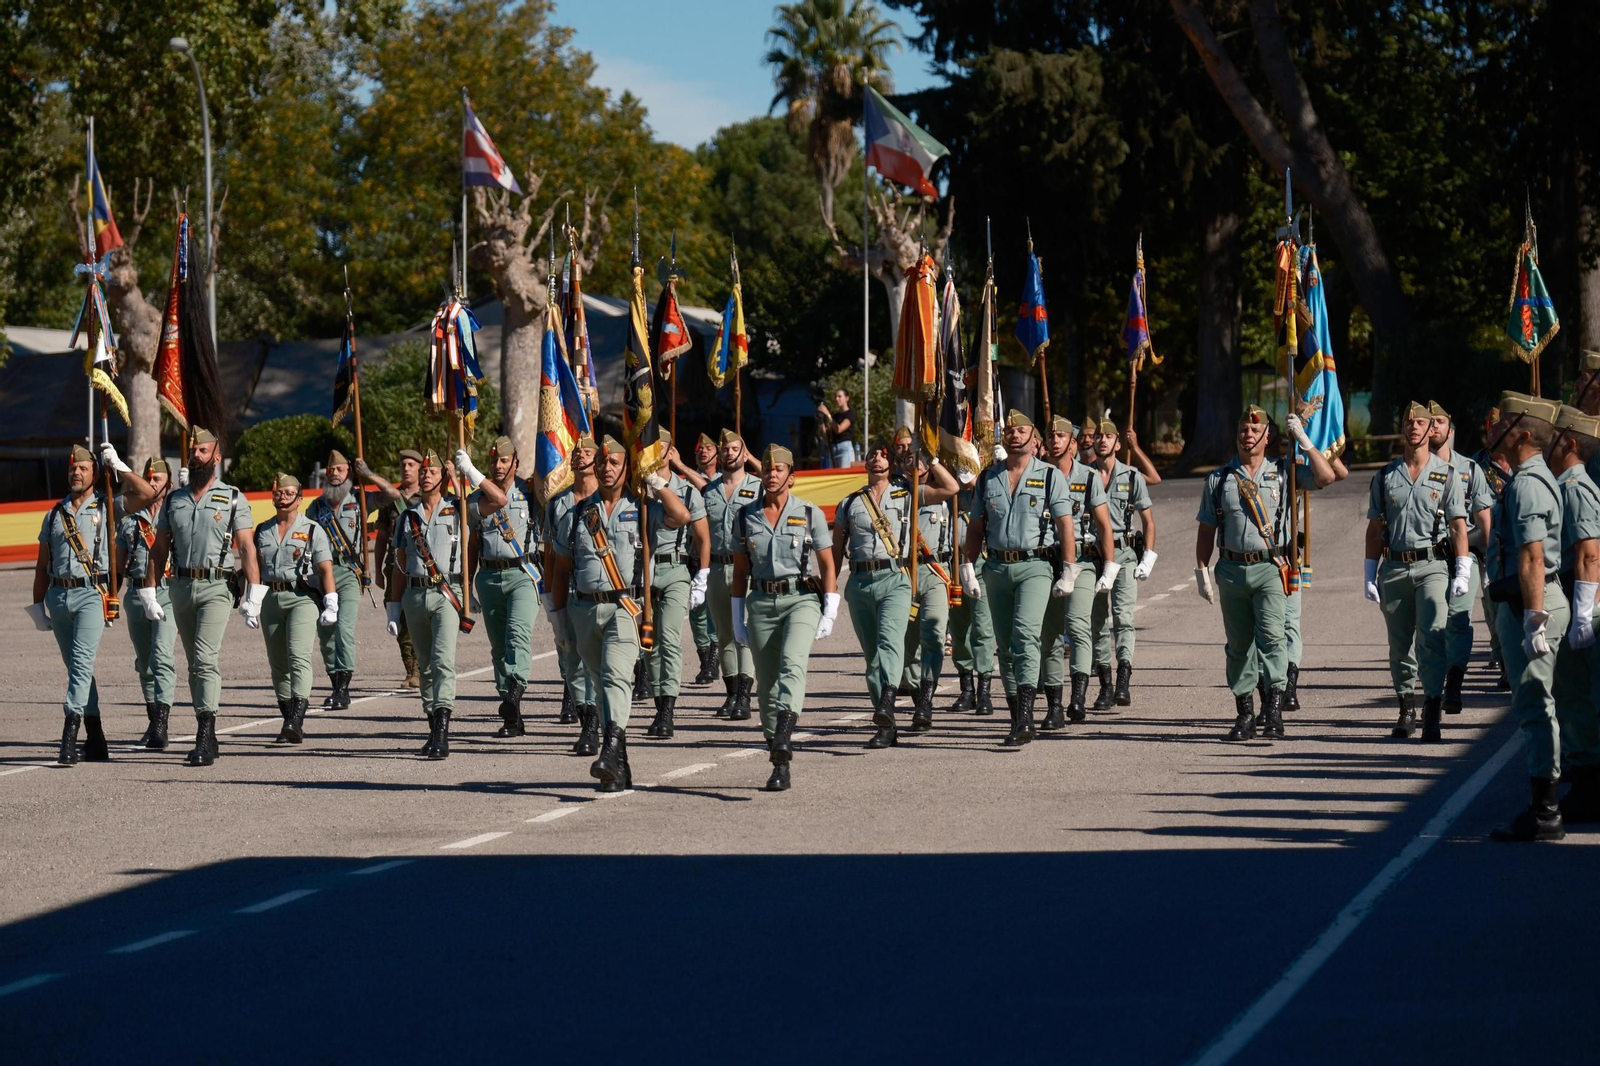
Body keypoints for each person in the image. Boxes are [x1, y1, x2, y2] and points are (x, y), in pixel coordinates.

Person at [545, 437, 689, 792]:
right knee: (599, 683)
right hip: (583, 608)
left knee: (615, 678)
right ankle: (620, 765)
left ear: (628, 469)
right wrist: (558, 617)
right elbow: (561, 568)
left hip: (626, 607)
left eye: (615, 463)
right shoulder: (578, 512)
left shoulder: (642, 508)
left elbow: (681, 516)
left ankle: (609, 750)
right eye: (603, 463)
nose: (607, 469)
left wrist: (656, 483)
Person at [1195, 407, 1334, 741]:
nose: (1248, 435)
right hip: (1231, 569)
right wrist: (1201, 569)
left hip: (1271, 567)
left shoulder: (1285, 471)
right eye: (1243, 429)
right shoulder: (1220, 478)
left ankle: (1272, 711)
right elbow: (1206, 529)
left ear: (1268, 436)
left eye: (1255, 430)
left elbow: (1327, 476)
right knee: (1239, 646)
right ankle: (1244, 714)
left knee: (1272, 640)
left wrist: (1303, 439)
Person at [139, 427, 264, 767]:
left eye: (203, 451)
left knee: (206, 659)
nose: (196, 455)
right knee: (194, 664)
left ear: (217, 457)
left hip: (216, 588)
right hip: (179, 587)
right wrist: (149, 590)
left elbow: (248, 547)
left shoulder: (233, 497)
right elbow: (160, 547)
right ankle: (206, 727)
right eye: (193, 451)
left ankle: (205, 735)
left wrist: (255, 593)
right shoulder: (175, 499)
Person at [30, 442, 155, 764]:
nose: (76, 473)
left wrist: (121, 466)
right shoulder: (55, 514)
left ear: (95, 474)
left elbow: (147, 494)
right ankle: (97, 738)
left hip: (91, 595)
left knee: (82, 665)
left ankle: (69, 738)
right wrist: (37, 605)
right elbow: (43, 562)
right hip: (58, 596)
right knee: (76, 670)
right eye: (73, 469)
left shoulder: (108, 507)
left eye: (83, 469)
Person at [960, 411, 1079, 746]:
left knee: (1026, 635)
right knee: (1006, 645)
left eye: (1021, 430)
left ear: (1034, 439)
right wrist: (967, 565)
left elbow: (1065, 524)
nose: (1014, 435)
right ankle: (1016, 716)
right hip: (996, 567)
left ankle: (1026, 716)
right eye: (1009, 430)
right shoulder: (988, 478)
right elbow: (976, 525)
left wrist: (1069, 569)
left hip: (1035, 566)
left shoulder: (1050, 476)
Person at [1484, 393, 1569, 841]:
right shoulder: (1527, 477)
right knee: (1536, 706)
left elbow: (1533, 558)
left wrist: (1534, 619)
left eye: (1504, 423)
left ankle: (1545, 812)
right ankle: (1545, 803)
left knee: (1535, 706)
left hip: (1530, 604)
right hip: (1525, 601)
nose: (1493, 428)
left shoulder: (1528, 484)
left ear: (1522, 434)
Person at [730, 444, 839, 790]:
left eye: (779, 470)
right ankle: (778, 759)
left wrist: (830, 608)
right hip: (760, 603)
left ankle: (784, 736)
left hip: (801, 600)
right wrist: (737, 616)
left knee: (793, 664)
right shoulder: (746, 516)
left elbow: (826, 563)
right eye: (767, 469)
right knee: (766, 685)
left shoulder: (809, 514)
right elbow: (739, 571)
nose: (772, 474)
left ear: (791, 477)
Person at [387, 447, 506, 760]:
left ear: (442, 477)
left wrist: (470, 472)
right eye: (423, 471)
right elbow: (400, 564)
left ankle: (442, 730)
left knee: (442, 661)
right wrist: (392, 605)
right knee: (425, 665)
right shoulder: (407, 516)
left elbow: (499, 500)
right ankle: (432, 724)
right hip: (413, 595)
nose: (426, 474)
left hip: (446, 595)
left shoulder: (461, 508)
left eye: (432, 471)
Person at [1363, 401, 1470, 741]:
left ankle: (1433, 708)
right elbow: (1375, 527)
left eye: (1420, 422)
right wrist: (1368, 572)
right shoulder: (1385, 476)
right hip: (1394, 567)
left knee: (1433, 637)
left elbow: (1457, 526)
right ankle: (1406, 707)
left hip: (1432, 566)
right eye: (1408, 422)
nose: (1413, 427)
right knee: (1400, 644)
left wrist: (1463, 569)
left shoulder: (1447, 473)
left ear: (1430, 430)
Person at [832, 440, 916, 747]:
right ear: (864, 462)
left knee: (888, 644)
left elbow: (948, 488)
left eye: (883, 455)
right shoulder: (850, 503)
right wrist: (830, 590)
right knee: (872, 658)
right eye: (872, 454)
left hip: (894, 577)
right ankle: (886, 724)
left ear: (892, 463)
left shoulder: (908, 494)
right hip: (860, 581)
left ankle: (888, 700)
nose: (877, 459)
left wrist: (926, 462)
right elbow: (837, 550)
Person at [254, 473, 339, 744]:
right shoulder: (263, 530)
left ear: (300, 499)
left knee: (298, 655)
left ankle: (296, 718)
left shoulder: (312, 529)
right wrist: (249, 600)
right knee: (278, 663)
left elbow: (325, 569)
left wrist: (331, 601)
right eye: (279, 492)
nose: (282, 497)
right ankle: (288, 717)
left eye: (289, 493)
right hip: (270, 599)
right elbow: (253, 568)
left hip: (301, 597)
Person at [1423, 401, 1495, 714]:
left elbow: (1484, 519)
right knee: (1429, 623)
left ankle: (1454, 680)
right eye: (1430, 422)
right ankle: (1432, 685)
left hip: (1465, 557)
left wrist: (1491, 562)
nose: (1434, 427)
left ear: (1450, 431)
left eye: (1439, 421)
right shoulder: (1412, 470)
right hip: (1428, 559)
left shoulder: (1469, 469)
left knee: (1459, 618)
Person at [1547, 406, 1600, 823]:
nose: (1544, 440)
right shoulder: (1564, 484)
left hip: (1580, 599)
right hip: (1574, 595)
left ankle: (1587, 784)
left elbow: (1588, 554)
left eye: (1554, 435)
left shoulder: (1576, 487)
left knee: (1577, 692)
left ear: (1571, 443)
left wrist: (1582, 615)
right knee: (1573, 692)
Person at [467, 436, 540, 738]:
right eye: (494, 461)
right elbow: (473, 543)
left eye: (504, 461)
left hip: (523, 572)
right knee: (498, 647)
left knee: (516, 635)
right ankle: (512, 714)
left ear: (515, 463)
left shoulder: (531, 492)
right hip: (488, 576)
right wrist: (466, 586)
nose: (498, 466)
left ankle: (516, 689)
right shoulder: (476, 499)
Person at [1042, 416, 1112, 727]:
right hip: (1047, 562)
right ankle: (1054, 703)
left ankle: (1079, 696)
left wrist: (1109, 565)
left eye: (1061, 436)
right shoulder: (1037, 475)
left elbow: (1103, 524)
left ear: (1072, 443)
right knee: (1051, 632)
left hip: (1082, 561)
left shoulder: (1088, 476)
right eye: (1050, 435)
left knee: (1078, 623)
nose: (1055, 441)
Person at [306, 449, 389, 711]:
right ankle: (334, 683)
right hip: (322, 574)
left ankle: (343, 687)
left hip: (350, 573)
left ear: (349, 474)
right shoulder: (316, 507)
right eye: (330, 471)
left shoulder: (361, 498)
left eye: (339, 470)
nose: (334, 474)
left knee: (344, 628)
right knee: (326, 633)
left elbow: (392, 497)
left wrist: (370, 475)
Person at [642, 431, 711, 739]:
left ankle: (666, 710)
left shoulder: (686, 491)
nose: (656, 452)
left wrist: (702, 576)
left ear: (672, 451)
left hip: (675, 570)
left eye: (662, 447)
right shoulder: (636, 491)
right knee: (649, 644)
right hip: (642, 574)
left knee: (668, 639)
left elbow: (702, 537)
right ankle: (658, 700)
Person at [1087, 418, 1160, 709]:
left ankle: (1123, 681)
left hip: (1125, 555)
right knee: (1097, 622)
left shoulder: (1132, 477)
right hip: (1092, 557)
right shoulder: (1084, 476)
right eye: (1098, 437)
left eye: (1108, 437)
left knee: (1124, 619)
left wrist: (1148, 556)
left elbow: (1148, 520)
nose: (1102, 441)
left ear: (1117, 444)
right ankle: (1105, 684)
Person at [896, 444, 960, 730]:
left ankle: (926, 698)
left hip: (934, 572)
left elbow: (951, 485)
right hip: (903, 573)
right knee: (907, 642)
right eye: (910, 460)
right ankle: (915, 691)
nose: (916, 464)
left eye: (919, 460)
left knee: (934, 633)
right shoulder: (900, 495)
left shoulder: (936, 491)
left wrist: (931, 459)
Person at [543, 434, 601, 746]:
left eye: (587, 452)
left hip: (608, 595)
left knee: (603, 665)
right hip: (574, 595)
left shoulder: (612, 500)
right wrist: (552, 604)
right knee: (574, 663)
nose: (580, 456)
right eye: (577, 452)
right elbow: (553, 557)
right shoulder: (557, 504)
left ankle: (610, 724)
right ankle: (589, 724)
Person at [116, 457, 177, 750]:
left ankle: (162, 724)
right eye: (149, 480)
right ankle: (153, 718)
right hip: (136, 594)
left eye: (159, 479)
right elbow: (118, 563)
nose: (153, 484)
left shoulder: (178, 516)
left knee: (162, 656)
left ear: (170, 484)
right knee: (145, 663)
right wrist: (111, 597)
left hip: (166, 591)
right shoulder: (129, 519)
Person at [704, 430, 763, 720]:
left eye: (735, 449)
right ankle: (730, 693)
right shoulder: (709, 491)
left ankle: (745, 695)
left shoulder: (759, 486)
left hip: (746, 569)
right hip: (716, 567)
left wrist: (753, 458)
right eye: (725, 449)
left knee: (745, 633)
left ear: (744, 452)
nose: (729, 453)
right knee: (723, 633)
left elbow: (786, 487)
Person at [946, 440, 1000, 717]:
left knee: (983, 629)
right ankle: (966, 688)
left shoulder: (989, 489)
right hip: (952, 571)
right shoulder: (948, 495)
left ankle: (984, 690)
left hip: (980, 567)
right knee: (959, 631)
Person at [372, 448, 424, 688]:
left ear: (421, 468)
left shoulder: (429, 496)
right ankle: (411, 670)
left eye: (411, 464)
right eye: (403, 464)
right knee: (399, 620)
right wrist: (378, 569)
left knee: (420, 619)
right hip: (394, 567)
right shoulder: (391, 500)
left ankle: (422, 668)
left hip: (421, 566)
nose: (406, 468)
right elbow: (382, 536)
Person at [678, 431, 723, 683]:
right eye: (699, 449)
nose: (703, 452)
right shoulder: (684, 484)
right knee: (696, 609)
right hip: (693, 553)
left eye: (708, 449)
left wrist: (679, 463)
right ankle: (705, 657)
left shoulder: (722, 481)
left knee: (715, 608)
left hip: (717, 554)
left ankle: (715, 656)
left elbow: (707, 490)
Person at [816, 388, 857, 468]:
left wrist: (828, 414)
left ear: (847, 398)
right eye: (835, 397)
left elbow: (839, 429)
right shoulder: (836, 416)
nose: (837, 399)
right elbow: (828, 436)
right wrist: (821, 424)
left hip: (844, 448)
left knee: (844, 475)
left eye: (839, 396)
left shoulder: (850, 414)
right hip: (833, 448)